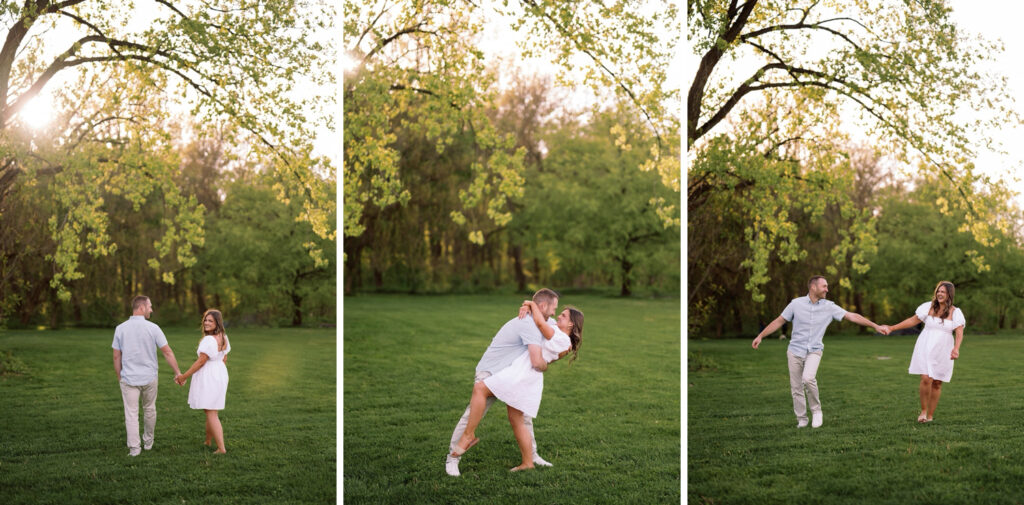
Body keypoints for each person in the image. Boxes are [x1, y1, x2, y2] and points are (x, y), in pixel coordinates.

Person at [451, 300, 583, 472]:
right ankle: (528, 462)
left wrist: (531, 304)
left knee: (480, 389)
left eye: (563, 315)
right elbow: (542, 319)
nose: (558, 315)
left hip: (522, 374)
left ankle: (468, 435)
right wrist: (528, 308)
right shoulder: (559, 332)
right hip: (527, 376)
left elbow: (540, 323)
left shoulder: (562, 338)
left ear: (571, 323)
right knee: (517, 420)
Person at [752, 276, 885, 428]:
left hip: (814, 350)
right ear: (813, 287)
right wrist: (760, 336)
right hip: (794, 351)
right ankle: (802, 419)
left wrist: (875, 326)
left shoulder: (829, 306)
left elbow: (852, 316)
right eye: (824, 286)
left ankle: (817, 411)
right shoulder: (796, 304)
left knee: (808, 378)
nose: (827, 289)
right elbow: (779, 321)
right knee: (796, 388)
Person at [881, 281, 965, 423]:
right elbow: (912, 321)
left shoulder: (956, 312)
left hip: (943, 349)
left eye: (943, 292)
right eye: (938, 290)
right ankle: (923, 412)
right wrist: (892, 328)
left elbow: (959, 332)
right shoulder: (928, 307)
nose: (939, 293)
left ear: (949, 294)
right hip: (926, 345)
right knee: (926, 378)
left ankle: (930, 416)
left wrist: (956, 349)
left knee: (937, 382)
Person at [112, 295, 182, 456]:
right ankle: (148, 442)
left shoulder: (120, 328)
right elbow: (167, 352)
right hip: (150, 377)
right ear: (141, 308)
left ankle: (135, 449)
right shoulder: (153, 328)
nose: (151, 309)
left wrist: (119, 376)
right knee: (149, 409)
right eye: (150, 306)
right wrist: (177, 372)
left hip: (128, 378)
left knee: (131, 413)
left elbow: (116, 356)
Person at [175, 309, 231, 453]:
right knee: (210, 409)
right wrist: (218, 374)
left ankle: (221, 448)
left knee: (211, 412)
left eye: (210, 321)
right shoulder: (223, 337)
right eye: (205, 320)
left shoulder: (209, 340)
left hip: (210, 375)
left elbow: (201, 362)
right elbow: (224, 358)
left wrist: (183, 376)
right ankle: (207, 441)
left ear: (217, 322)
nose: (206, 323)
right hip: (220, 372)